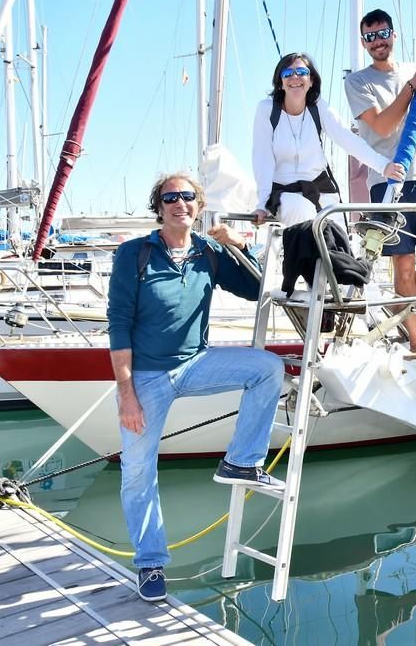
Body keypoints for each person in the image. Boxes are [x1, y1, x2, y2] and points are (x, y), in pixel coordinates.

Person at [107, 173, 286, 603]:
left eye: (187, 196)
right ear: (160, 207)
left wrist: (240, 247)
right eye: (170, 197)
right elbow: (118, 326)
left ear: (198, 206)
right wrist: (126, 393)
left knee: (267, 367)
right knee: (137, 473)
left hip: (196, 364)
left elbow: (260, 287)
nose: (179, 203)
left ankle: (241, 461)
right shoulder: (135, 254)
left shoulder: (209, 253)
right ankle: (150, 563)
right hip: (147, 377)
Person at [344, 8, 416, 353]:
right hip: (388, 181)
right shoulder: (358, 81)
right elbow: (381, 126)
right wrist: (410, 88)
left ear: (394, 35)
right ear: (364, 43)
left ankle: (398, 304)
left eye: (383, 34)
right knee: (403, 264)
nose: (378, 42)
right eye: (370, 36)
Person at [252, 52, 405, 227]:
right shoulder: (267, 110)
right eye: (287, 73)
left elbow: (347, 139)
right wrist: (262, 204)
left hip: (320, 188)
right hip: (284, 193)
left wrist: (383, 166)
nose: (295, 77)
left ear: (311, 81)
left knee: (336, 233)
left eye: (302, 72)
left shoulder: (318, 107)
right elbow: (262, 159)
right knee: (303, 211)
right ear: (280, 83)